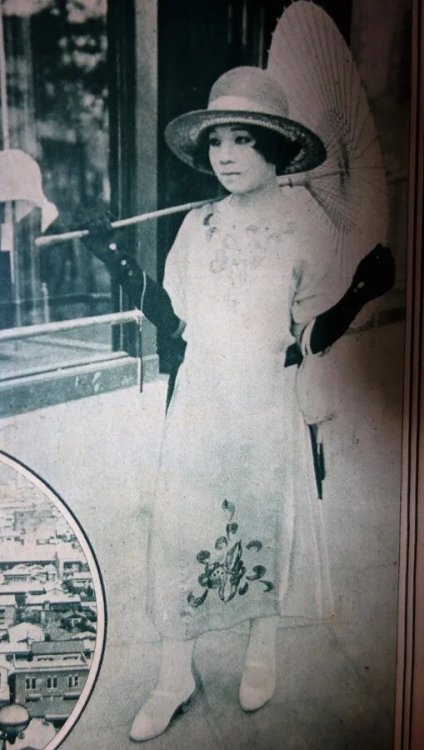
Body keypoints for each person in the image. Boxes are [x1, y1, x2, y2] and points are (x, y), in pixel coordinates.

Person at [87, 66, 394, 742]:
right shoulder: (198, 224)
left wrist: (359, 292)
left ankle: (262, 654)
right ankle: (174, 676)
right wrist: (118, 263)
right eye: (217, 141)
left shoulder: (307, 229)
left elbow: (308, 335)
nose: (225, 155)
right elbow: (174, 323)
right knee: (181, 527)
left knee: (263, 518)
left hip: (266, 398)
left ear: (275, 149)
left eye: (243, 141)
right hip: (200, 396)